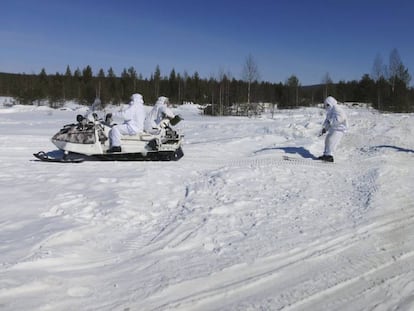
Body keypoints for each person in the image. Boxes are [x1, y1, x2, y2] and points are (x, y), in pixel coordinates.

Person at [318, 96, 348, 162]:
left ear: (331, 103)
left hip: (339, 129)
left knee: (332, 141)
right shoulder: (330, 111)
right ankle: (326, 154)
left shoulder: (337, 109)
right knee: (327, 140)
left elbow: (340, 119)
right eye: (326, 104)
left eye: (328, 104)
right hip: (334, 129)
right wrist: (325, 128)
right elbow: (327, 120)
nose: (326, 106)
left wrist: (330, 122)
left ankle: (330, 156)